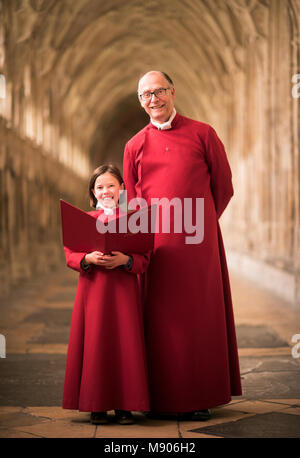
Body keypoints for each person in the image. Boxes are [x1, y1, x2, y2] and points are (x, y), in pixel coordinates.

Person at [123, 71, 242, 420]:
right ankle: (157, 397)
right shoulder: (134, 145)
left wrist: (200, 224)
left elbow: (223, 186)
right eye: (145, 95)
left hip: (196, 244)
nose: (153, 100)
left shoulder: (203, 133)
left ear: (172, 92)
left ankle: (198, 395)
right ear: (140, 101)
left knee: (197, 318)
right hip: (155, 249)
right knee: (159, 320)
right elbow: (133, 201)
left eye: (159, 91)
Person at [62, 164, 150, 425]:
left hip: (123, 293)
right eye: (99, 187)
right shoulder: (84, 219)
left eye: (111, 185)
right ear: (93, 192)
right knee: (96, 343)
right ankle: (96, 405)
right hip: (94, 292)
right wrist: (87, 257)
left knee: (125, 344)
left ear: (122, 188)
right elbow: (70, 253)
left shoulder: (134, 218)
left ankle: (125, 405)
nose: (106, 191)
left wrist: (126, 259)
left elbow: (145, 257)